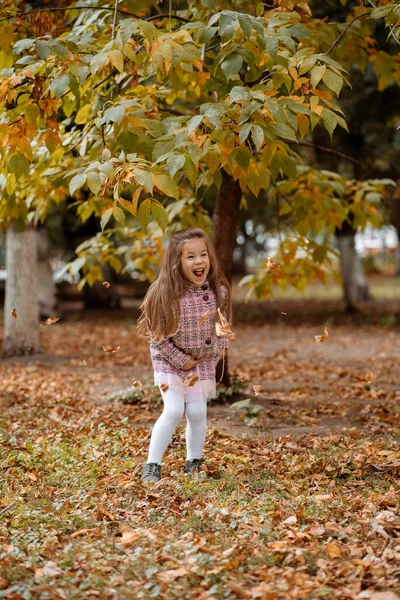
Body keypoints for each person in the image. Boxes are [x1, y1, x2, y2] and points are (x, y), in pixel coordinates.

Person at [137, 228, 232, 482]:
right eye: (190, 257)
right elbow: (157, 338)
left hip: (200, 363)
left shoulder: (217, 291)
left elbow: (221, 324)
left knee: (198, 412)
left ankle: (193, 462)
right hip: (169, 362)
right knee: (173, 410)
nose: (199, 261)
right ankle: (152, 465)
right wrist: (181, 359)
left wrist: (217, 351)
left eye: (203, 254)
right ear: (176, 263)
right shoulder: (164, 293)